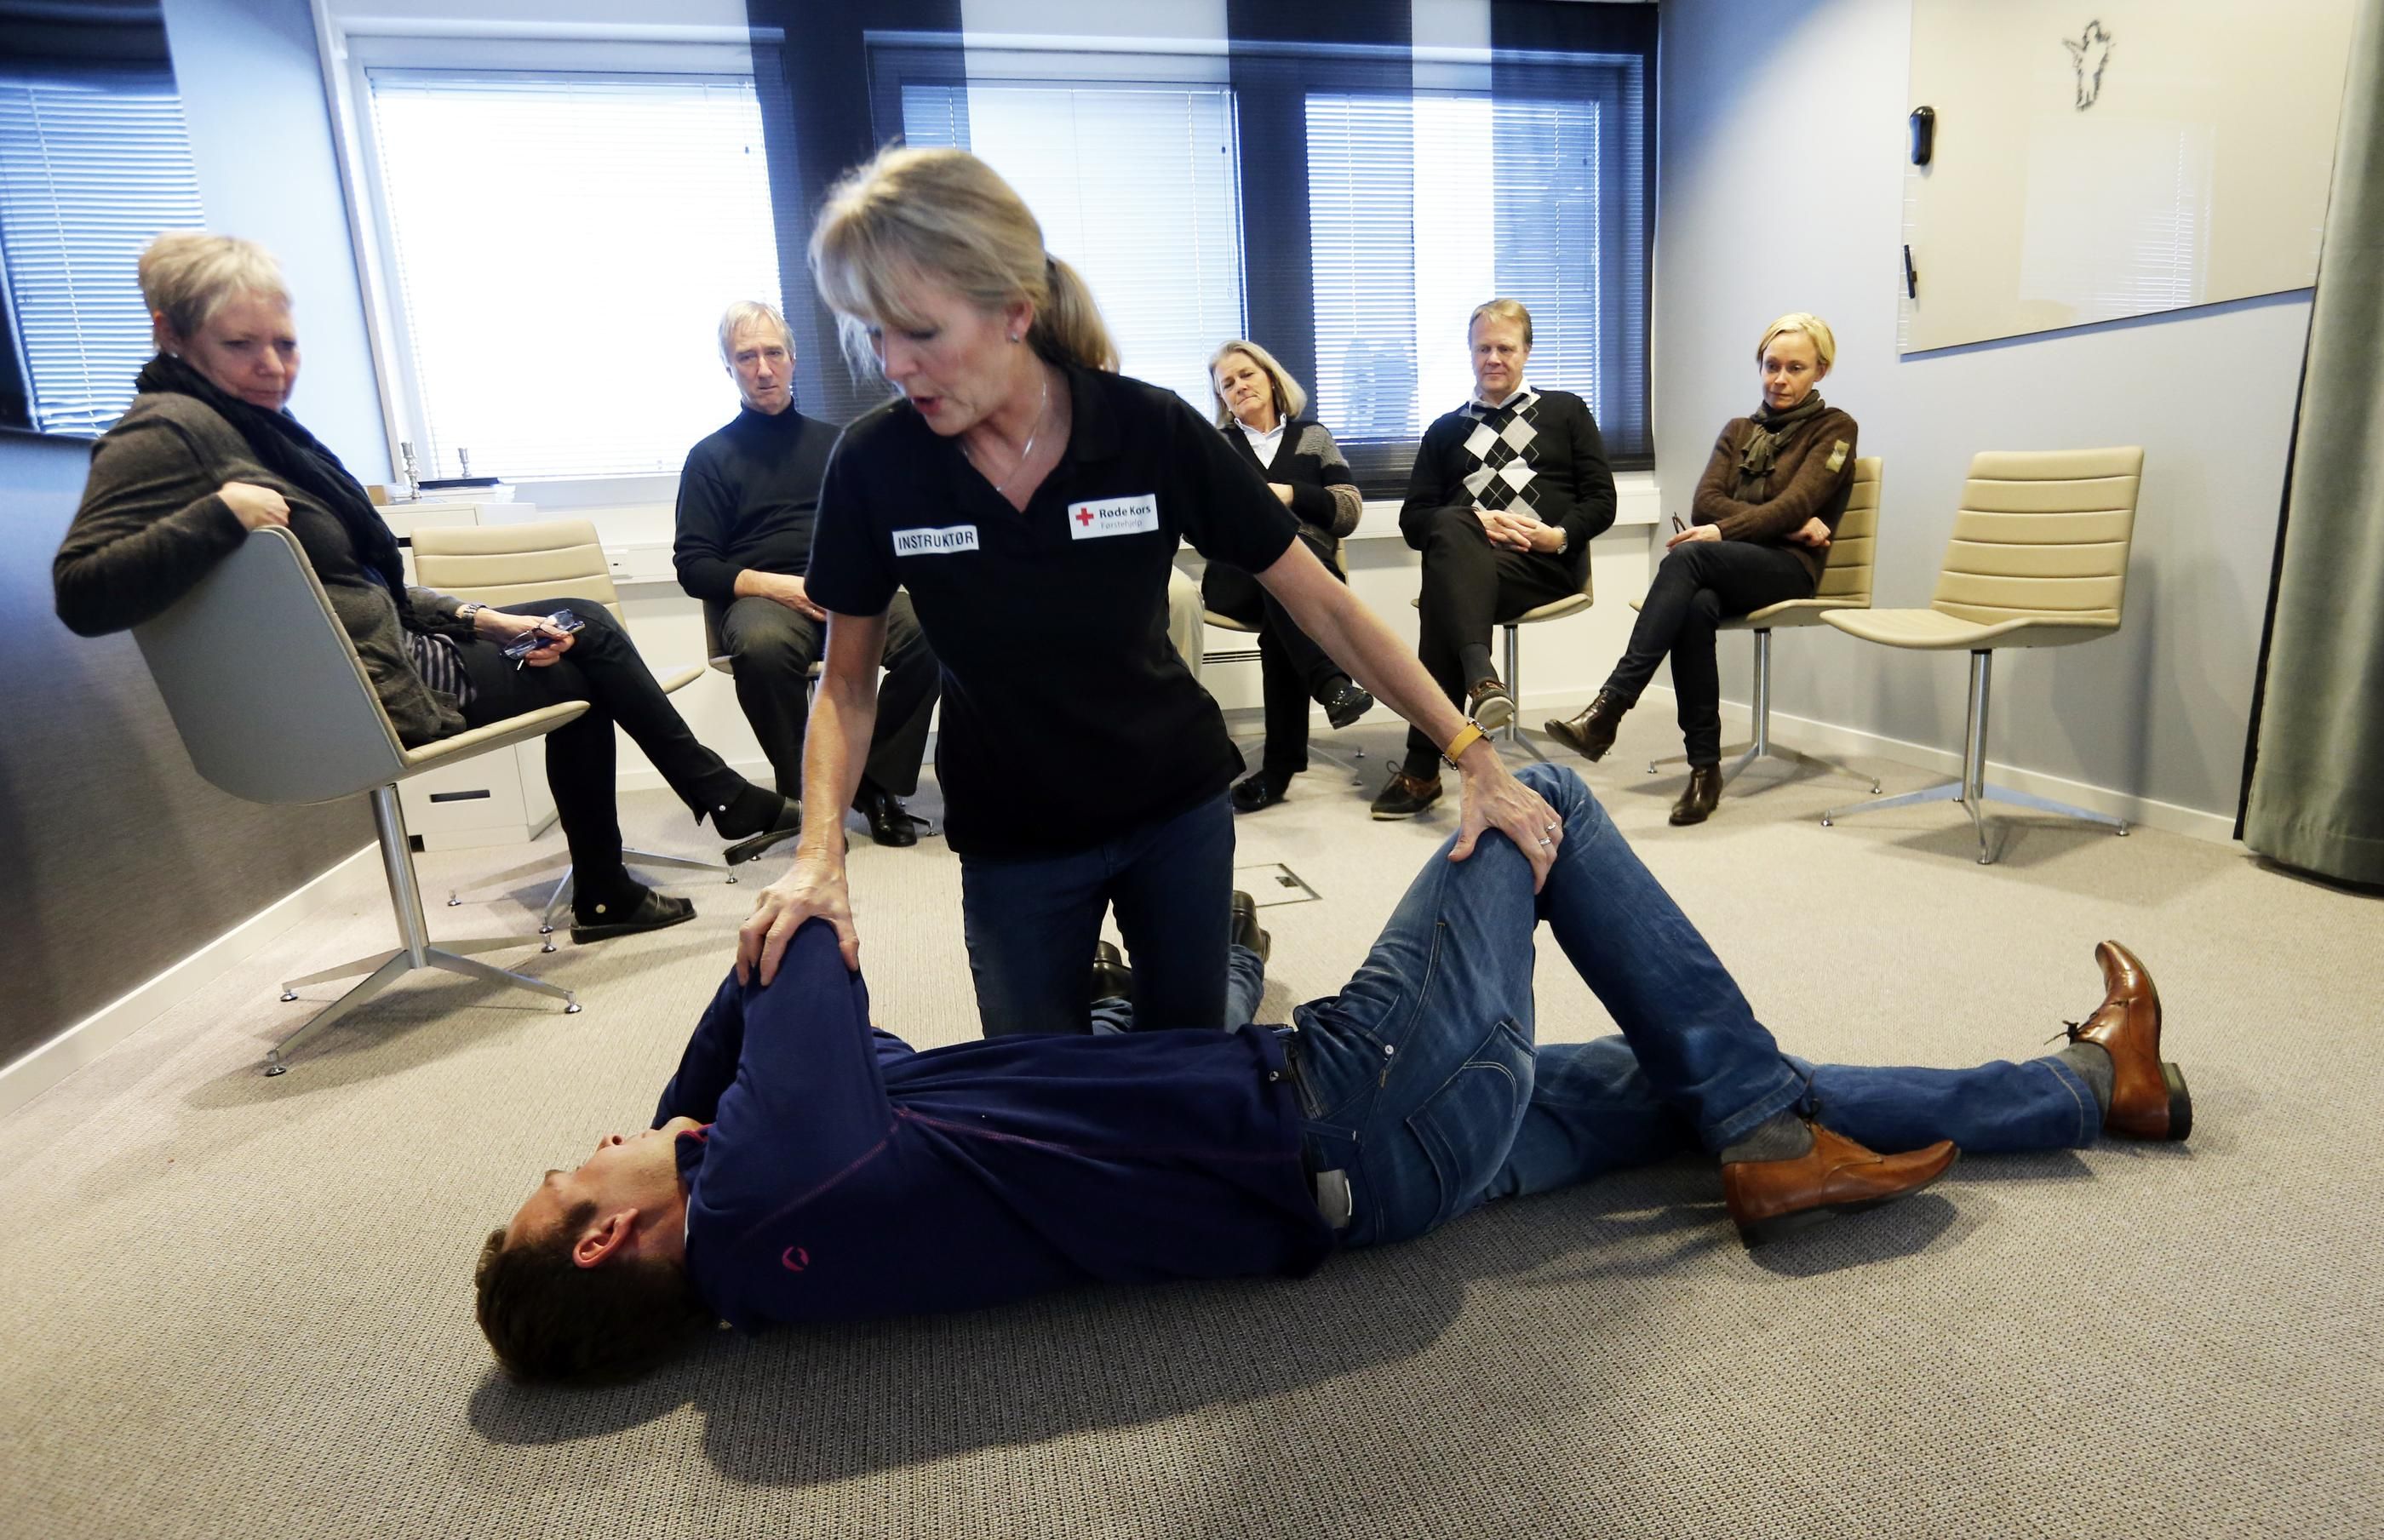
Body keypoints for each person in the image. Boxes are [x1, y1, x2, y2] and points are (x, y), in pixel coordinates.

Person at [473, 761, 2193, 1384]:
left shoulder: (791, 1242)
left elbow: (791, 1022)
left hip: (1369, 1168)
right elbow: (806, 959)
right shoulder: (774, 1187)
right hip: (1347, 1095)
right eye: (576, 1171)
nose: (602, 1137)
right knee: (1529, 791)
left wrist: (695, 1085)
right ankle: (1767, 1134)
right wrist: (810, 863)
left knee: (1660, 1068)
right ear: (610, 1240)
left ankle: (2077, 1091)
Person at [748, 146, 1562, 1039]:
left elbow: (1323, 603)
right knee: (1037, 1086)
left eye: (920, 333)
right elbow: (846, 683)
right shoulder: (875, 464)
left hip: (1171, 808)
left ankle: (1230, 961)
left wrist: (1472, 755)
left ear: (1015, 311)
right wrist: (819, 853)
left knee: (1188, 1058)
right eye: (875, 334)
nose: (894, 365)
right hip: (1012, 831)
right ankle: (1159, 984)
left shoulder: (1147, 430)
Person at [54, 233, 798, 942]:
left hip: (387, 652)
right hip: (363, 691)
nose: (272, 366)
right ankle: (690, 821)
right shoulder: (168, 432)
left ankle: (659, 847)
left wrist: (484, 619)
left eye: (285, 343)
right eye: (240, 345)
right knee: (586, 651)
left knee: (576, 625)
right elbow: (82, 590)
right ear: (171, 334)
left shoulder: (252, 428)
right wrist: (219, 514)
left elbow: (364, 586)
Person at [1545, 312, 1858, 827]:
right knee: (1695, 605)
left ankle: (1611, 707)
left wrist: (1744, 527)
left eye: (1795, 368)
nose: (1780, 379)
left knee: (1687, 555)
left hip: (1790, 571)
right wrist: (1786, 524)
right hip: (1736, 566)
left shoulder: (1836, 429)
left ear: (1820, 370)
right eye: (1771, 366)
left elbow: (1796, 501)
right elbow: (1705, 504)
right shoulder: (1739, 430)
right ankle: (1704, 771)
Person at [674, 301, 940, 847]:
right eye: (746, 357)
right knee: (762, 649)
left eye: (774, 353)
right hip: (766, 598)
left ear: (793, 360)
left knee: (934, 634)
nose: (763, 369)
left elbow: (881, 530)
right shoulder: (709, 458)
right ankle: (807, 799)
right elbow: (694, 565)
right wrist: (780, 587)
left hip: (849, 589)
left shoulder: (839, 445)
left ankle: (874, 782)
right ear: (728, 367)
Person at [1374, 301, 1617, 821]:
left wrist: (1558, 536)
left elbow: (1602, 500)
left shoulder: (1566, 411)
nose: (1493, 358)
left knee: (1442, 595)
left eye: (1505, 348)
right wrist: (1474, 523)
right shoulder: (1445, 430)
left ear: (1526, 351)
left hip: (1541, 565)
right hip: (1469, 563)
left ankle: (1422, 768)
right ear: (1470, 353)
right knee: (1450, 524)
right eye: (1483, 348)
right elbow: (1413, 521)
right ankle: (1481, 678)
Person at [1201, 339, 1373, 814]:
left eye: (1247, 375)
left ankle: (1278, 772)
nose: (1239, 387)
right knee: (1277, 569)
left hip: (1307, 572)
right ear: (1222, 398)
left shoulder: (1313, 437)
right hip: (1236, 575)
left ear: (1272, 379)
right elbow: (1202, 522)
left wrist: (1293, 494)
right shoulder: (1215, 445)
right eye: (1227, 384)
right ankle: (1330, 682)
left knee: (1285, 604)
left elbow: (1348, 511)